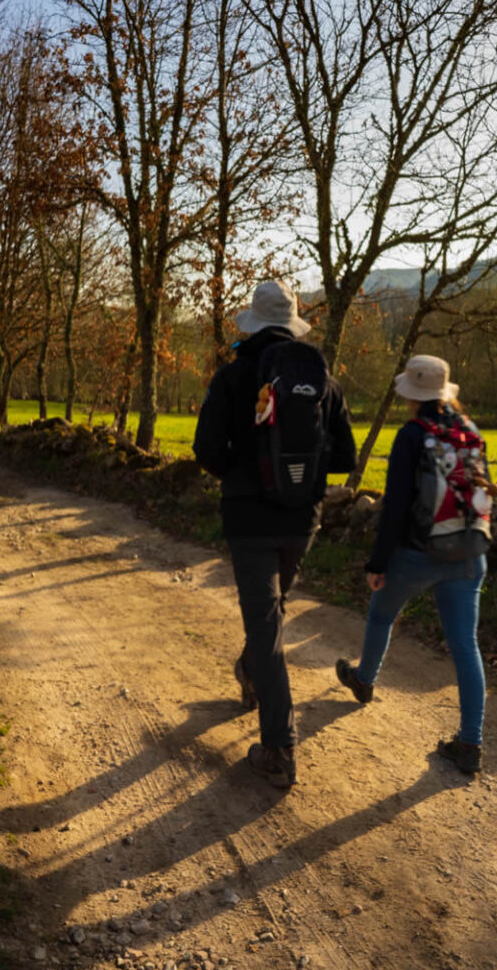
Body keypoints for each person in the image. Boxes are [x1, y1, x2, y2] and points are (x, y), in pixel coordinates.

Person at [192, 279, 356, 788]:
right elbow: (346, 458)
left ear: (254, 323)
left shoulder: (234, 374)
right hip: (301, 519)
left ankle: (280, 749)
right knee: (271, 614)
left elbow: (207, 450)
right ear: (291, 324)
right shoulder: (320, 378)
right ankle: (249, 671)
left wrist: (241, 478)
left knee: (266, 623)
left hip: (249, 519)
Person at [335, 354, 491, 776]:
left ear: (412, 396)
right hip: (470, 555)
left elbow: (396, 508)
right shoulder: (470, 431)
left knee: (382, 613)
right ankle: (470, 743)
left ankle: (364, 680)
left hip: (419, 555)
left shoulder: (411, 436)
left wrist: (378, 563)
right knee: (465, 647)